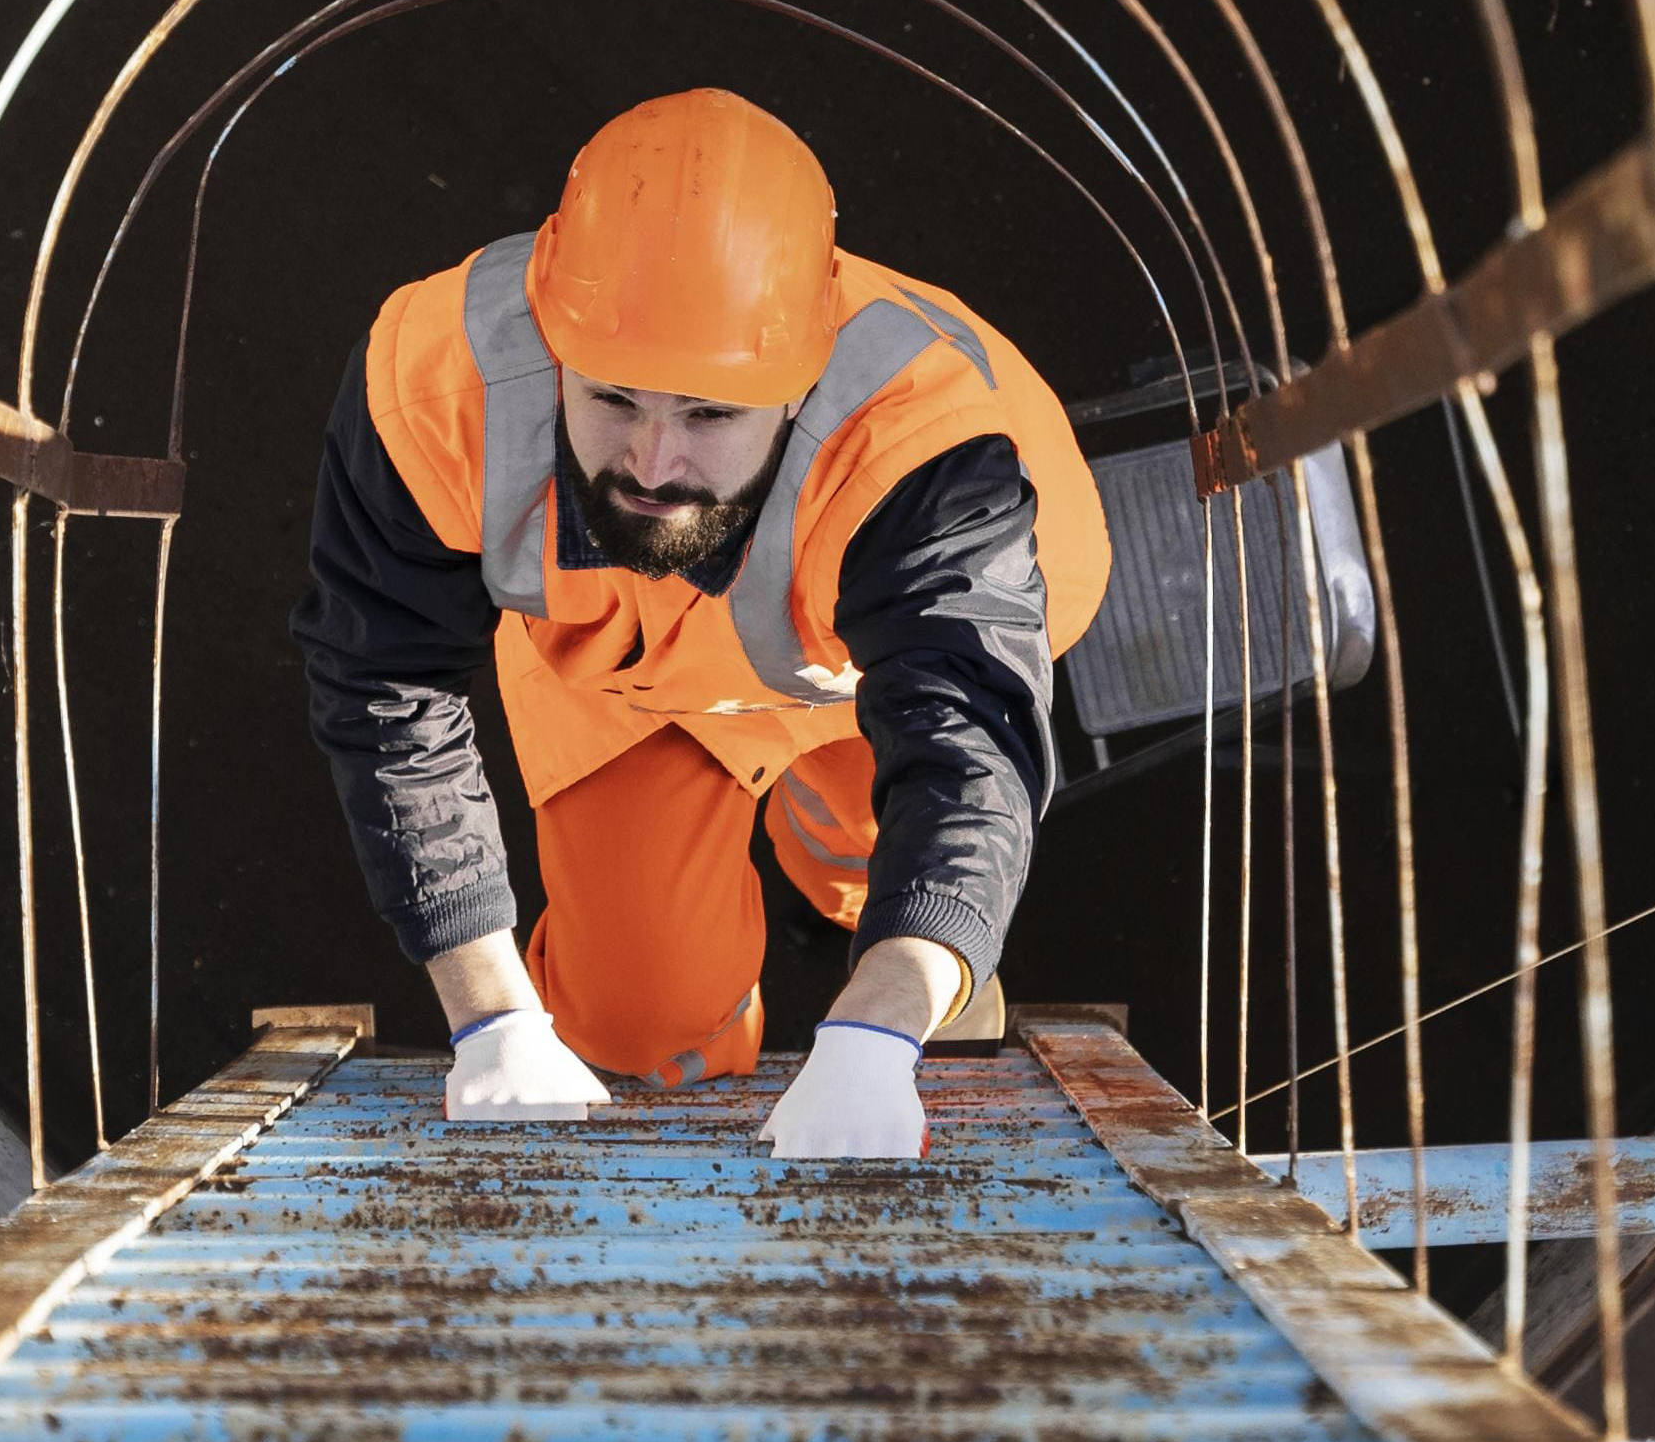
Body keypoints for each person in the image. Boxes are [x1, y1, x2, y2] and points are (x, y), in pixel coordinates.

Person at [289, 88, 1111, 1160]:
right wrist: (490, 1013)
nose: (652, 464)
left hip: (862, 667)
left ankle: (841, 898)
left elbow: (965, 745)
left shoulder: (929, 452)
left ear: (797, 383)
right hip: (623, 667)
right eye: (615, 398)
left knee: (881, 862)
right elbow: (379, 681)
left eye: (712, 413)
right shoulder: (433, 386)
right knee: (636, 1029)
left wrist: (884, 1020)